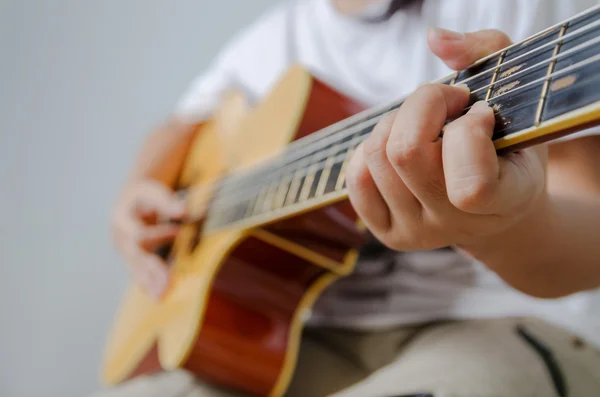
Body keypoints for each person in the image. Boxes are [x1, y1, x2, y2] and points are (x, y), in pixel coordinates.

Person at [100, 0, 600, 396]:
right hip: (295, 345)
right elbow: (183, 123)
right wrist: (138, 188)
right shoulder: (273, 39)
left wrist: (501, 227)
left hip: (492, 324)